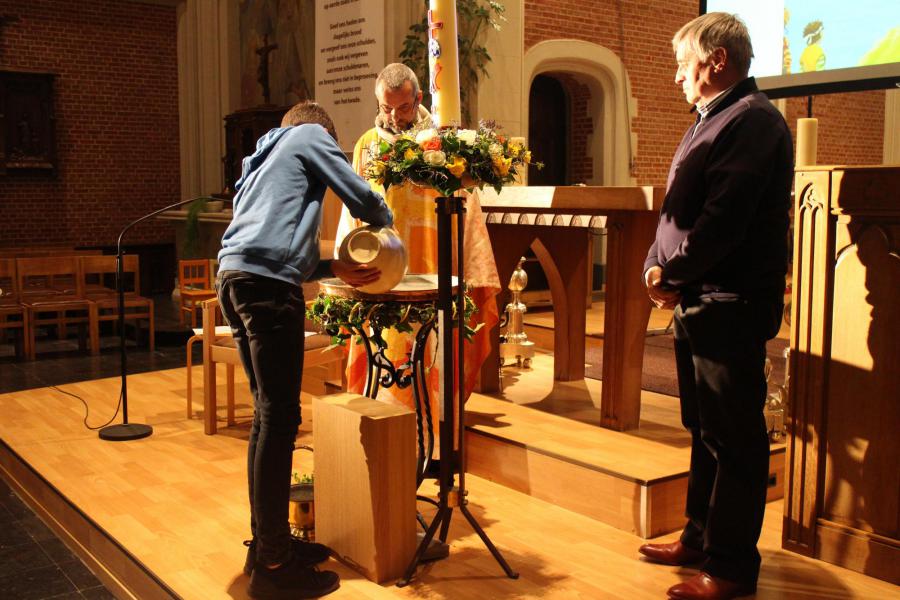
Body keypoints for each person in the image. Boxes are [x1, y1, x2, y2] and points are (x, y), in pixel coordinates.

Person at [639, 13, 792, 600]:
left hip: (731, 301)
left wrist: (670, 273)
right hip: (699, 299)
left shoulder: (751, 121)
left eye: (684, 63)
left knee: (735, 439)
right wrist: (657, 263)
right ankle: (699, 537)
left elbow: (723, 221)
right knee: (703, 428)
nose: (678, 76)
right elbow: (677, 209)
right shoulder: (712, 118)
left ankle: (730, 568)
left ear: (717, 61)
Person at [217, 101, 393, 600]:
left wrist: (331, 268)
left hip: (235, 279)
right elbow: (364, 199)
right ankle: (274, 564)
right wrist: (387, 220)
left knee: (265, 419)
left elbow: (273, 247)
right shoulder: (308, 136)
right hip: (267, 289)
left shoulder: (260, 160)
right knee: (279, 420)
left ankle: (266, 545)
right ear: (321, 134)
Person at [334, 63, 501, 411]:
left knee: (432, 352)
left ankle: (434, 422)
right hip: (384, 270)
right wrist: (347, 261)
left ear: (419, 98)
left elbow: (466, 204)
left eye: (403, 107)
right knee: (385, 352)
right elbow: (352, 212)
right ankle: (384, 420)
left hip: (433, 267)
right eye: (386, 108)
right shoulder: (367, 146)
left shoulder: (444, 144)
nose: (394, 117)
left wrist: (474, 267)